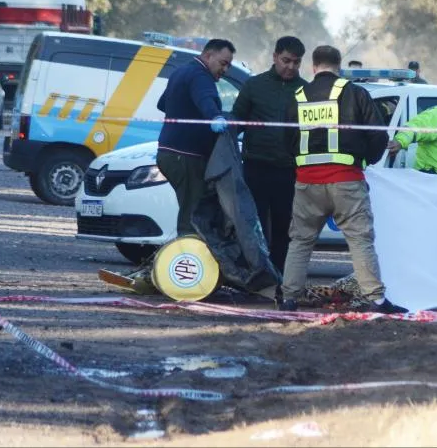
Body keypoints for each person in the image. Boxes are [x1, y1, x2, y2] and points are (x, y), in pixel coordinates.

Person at [280, 45, 406, 314]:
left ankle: (289, 298)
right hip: (346, 180)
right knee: (360, 240)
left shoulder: (298, 96)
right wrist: (367, 160)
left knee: (300, 241)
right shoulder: (354, 93)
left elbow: (286, 139)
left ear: (313, 67)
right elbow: (378, 135)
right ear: (339, 67)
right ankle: (376, 300)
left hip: (306, 183)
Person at [232, 36, 307, 277]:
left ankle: (279, 276)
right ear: (274, 57)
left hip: (290, 170)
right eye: (286, 60)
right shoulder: (254, 86)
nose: (290, 67)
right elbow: (237, 121)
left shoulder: (306, 90)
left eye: (296, 63)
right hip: (256, 167)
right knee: (255, 225)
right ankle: (255, 274)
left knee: (285, 227)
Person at [156, 39, 236, 237]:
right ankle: (187, 261)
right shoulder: (201, 76)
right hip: (185, 156)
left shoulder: (181, 72)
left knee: (191, 207)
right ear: (208, 55)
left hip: (169, 153)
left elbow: (162, 104)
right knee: (192, 217)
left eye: (228, 65)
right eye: (223, 63)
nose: (225, 70)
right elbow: (205, 99)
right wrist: (215, 116)